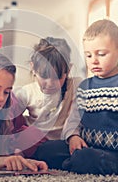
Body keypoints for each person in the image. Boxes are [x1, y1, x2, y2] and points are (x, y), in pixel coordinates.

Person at [62, 19, 118, 179]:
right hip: (88, 146)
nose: (93, 60)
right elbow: (73, 119)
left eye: (101, 54)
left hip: (116, 156)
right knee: (46, 150)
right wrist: (73, 136)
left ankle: (72, 163)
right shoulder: (84, 87)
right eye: (88, 55)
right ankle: (73, 161)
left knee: (85, 158)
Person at [12, 37, 81, 169]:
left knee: (73, 150)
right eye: (44, 76)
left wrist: (74, 136)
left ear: (68, 70)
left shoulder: (75, 85)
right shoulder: (27, 92)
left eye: (57, 77)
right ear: (33, 67)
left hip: (62, 143)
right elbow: (10, 119)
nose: (50, 84)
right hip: (35, 144)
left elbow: (78, 117)